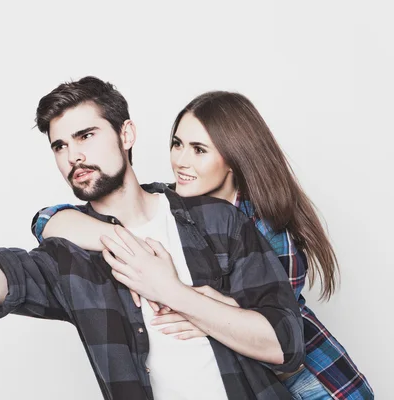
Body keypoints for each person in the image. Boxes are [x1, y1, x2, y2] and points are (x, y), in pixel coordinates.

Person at [0, 77, 304, 400]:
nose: (72, 155)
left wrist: (171, 293)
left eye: (85, 135)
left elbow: (284, 344)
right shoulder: (68, 255)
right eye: (59, 145)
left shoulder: (215, 220)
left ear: (126, 134)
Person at [32, 90, 374, 399]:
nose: (181, 161)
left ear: (233, 158)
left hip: (315, 383)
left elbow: (279, 333)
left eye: (199, 150)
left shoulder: (263, 227)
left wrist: (191, 304)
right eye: (177, 144)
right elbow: (51, 218)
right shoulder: (173, 206)